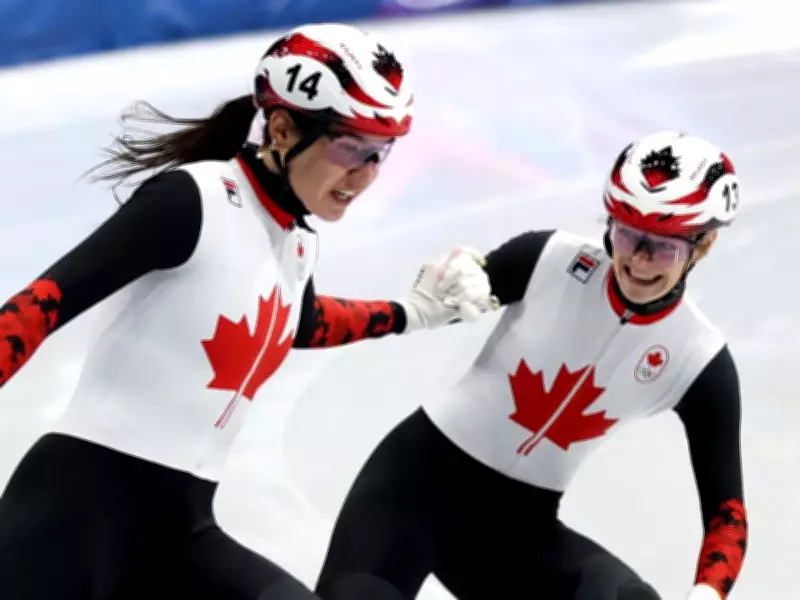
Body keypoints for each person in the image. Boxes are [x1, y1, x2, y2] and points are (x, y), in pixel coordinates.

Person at [0, 22, 496, 600]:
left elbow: (301, 324)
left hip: (180, 530)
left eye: (380, 154)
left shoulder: (298, 239)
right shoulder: (194, 199)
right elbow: (40, 305)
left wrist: (416, 311)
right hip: (71, 521)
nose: (364, 176)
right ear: (282, 127)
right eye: (350, 148)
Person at [314, 131, 747, 600]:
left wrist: (708, 593)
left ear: (701, 248)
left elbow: (727, 511)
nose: (639, 260)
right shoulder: (550, 258)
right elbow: (439, 300)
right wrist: (445, 283)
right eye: (627, 234)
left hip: (513, 538)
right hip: (409, 493)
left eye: (665, 247)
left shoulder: (698, 358)